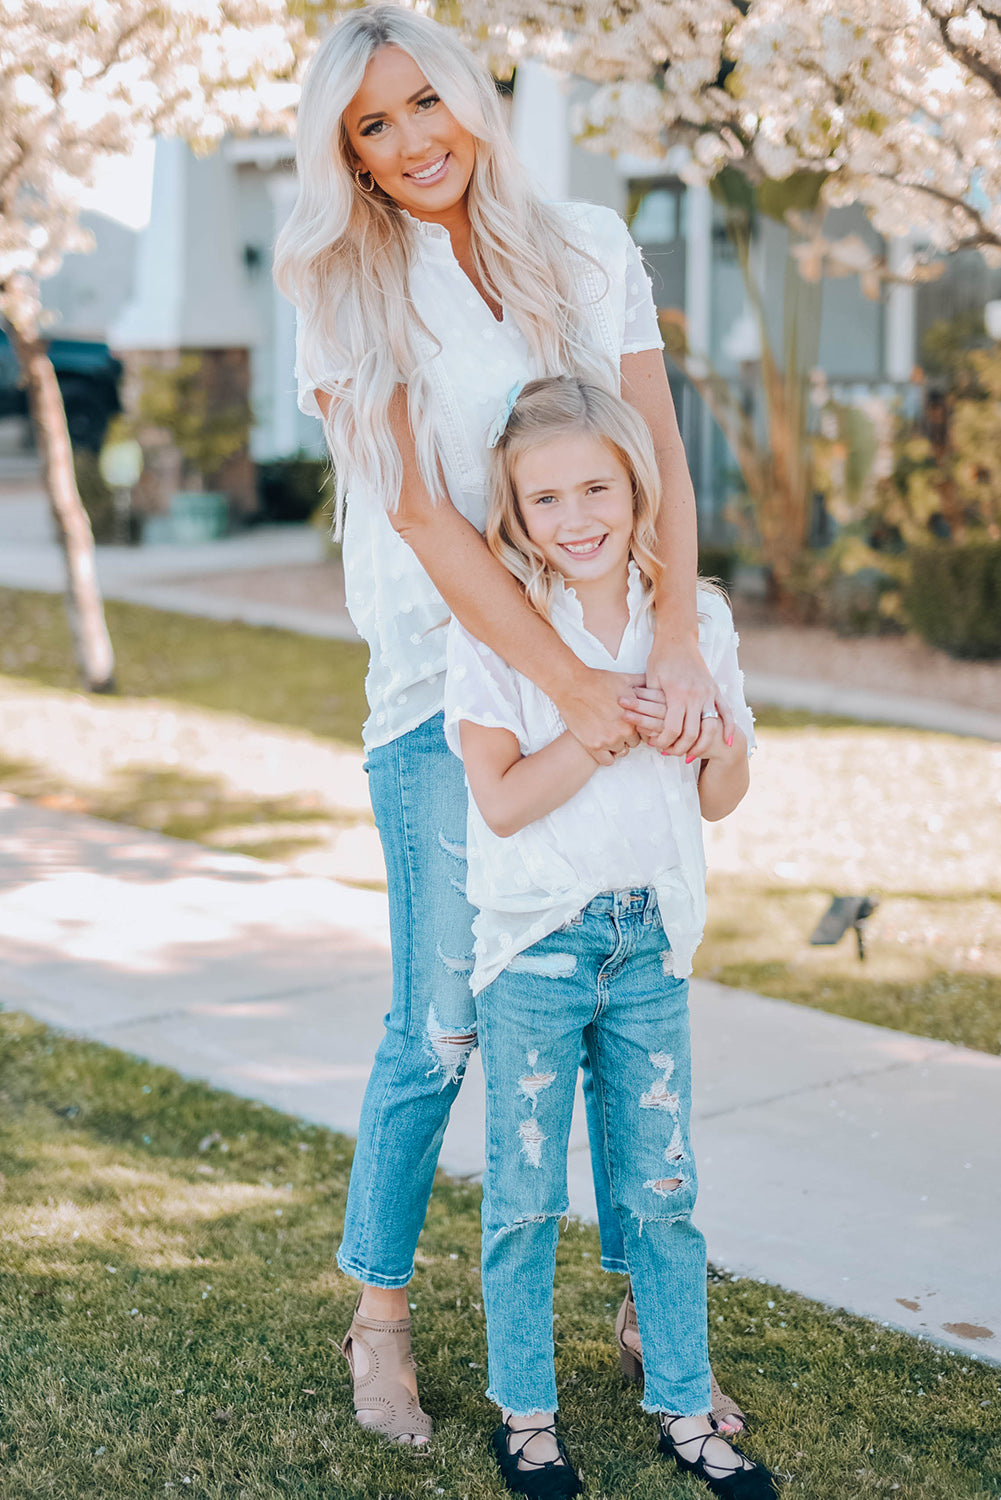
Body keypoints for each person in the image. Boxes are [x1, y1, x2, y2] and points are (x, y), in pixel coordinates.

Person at [274, 4, 743, 1446]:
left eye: (428, 103)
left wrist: (666, 641)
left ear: (474, 98)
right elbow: (420, 513)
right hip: (443, 685)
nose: (413, 142)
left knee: (621, 980)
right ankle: (382, 1312)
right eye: (373, 124)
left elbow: (654, 446)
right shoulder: (341, 282)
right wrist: (565, 681)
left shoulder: (590, 242)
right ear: (342, 152)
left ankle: (642, 1303)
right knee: (442, 1018)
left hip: (620, 657)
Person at [443, 376, 775, 1497]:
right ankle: (526, 1416)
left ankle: (685, 1407)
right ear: (515, 515)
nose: (576, 516)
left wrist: (705, 733)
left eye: (597, 487)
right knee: (526, 1193)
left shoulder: (693, 619)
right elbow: (497, 800)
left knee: (662, 1194)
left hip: (647, 943)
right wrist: (603, 725)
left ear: (638, 492)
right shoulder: (497, 627)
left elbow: (721, 793)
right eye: (545, 500)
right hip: (535, 947)